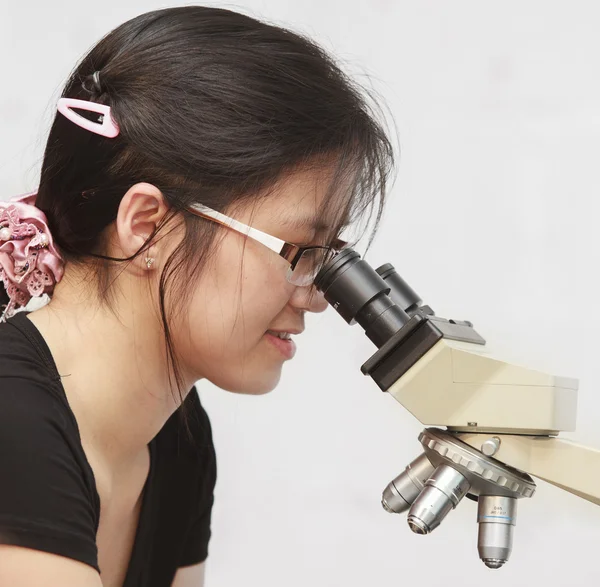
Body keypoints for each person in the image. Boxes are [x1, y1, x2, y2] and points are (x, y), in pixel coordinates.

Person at [0, 5, 394, 587]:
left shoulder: (176, 436)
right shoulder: (12, 422)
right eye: (297, 251)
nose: (317, 298)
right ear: (147, 225)